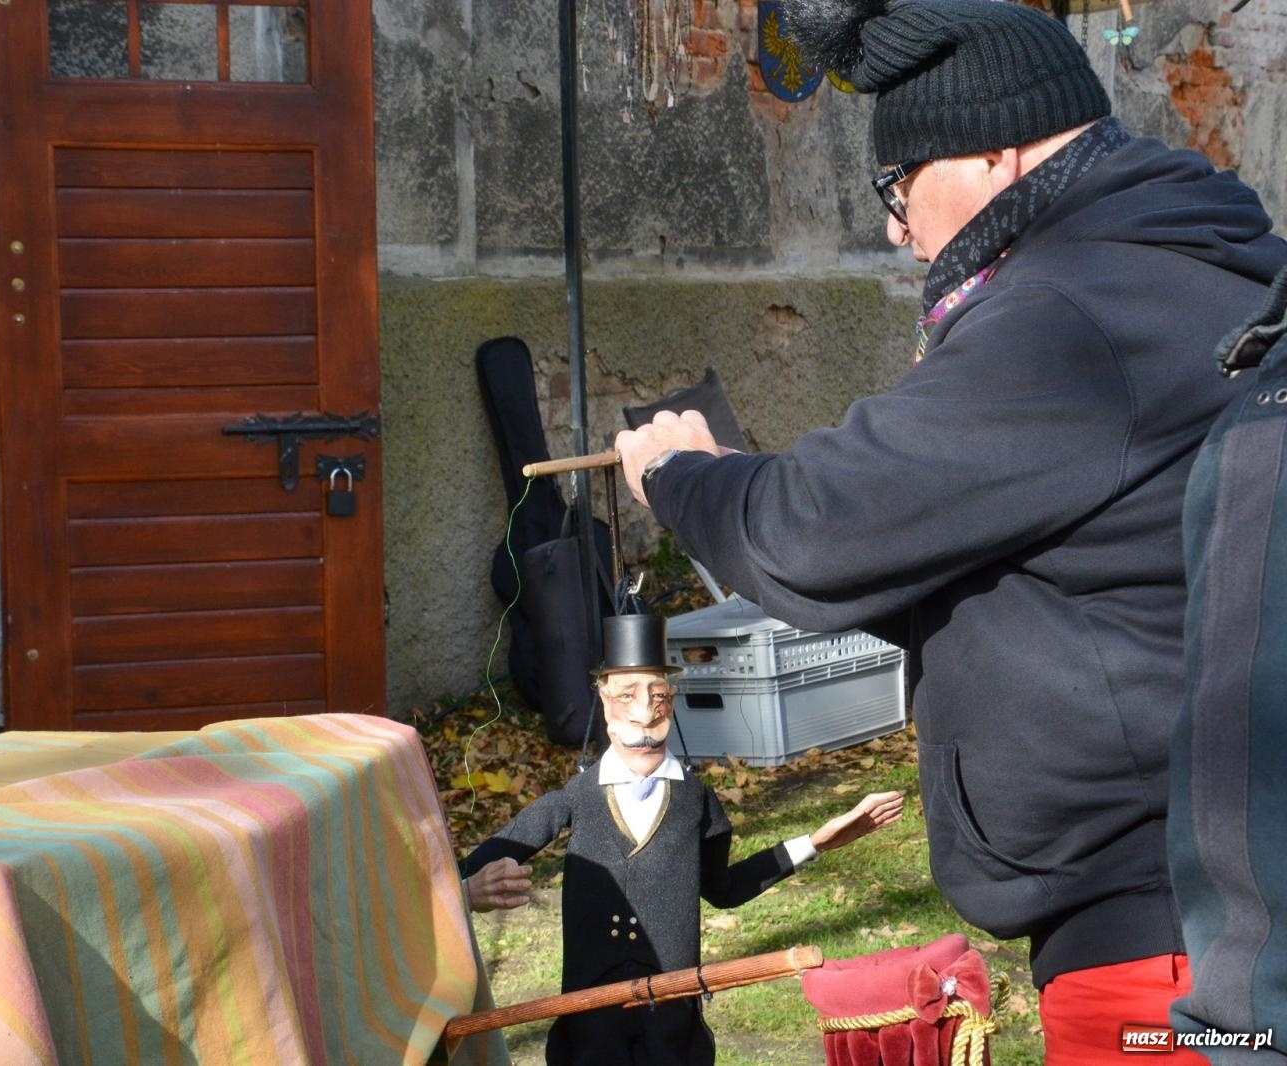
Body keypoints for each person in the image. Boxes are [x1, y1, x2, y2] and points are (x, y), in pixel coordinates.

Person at [612, 1, 1287, 1060]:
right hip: (1192, 891)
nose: (895, 227)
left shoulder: (1072, 315)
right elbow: (1019, 560)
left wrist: (681, 474)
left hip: (1159, 936)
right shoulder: (1175, 261)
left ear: (990, 154)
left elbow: (810, 532)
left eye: (897, 186)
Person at [462, 612, 903, 1066]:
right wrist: (467, 892)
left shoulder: (697, 802)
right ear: (605, 700)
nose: (644, 712)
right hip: (590, 1022)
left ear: (671, 702)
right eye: (627, 695)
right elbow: (467, 870)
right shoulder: (576, 798)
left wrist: (815, 843)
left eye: (658, 696)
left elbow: (724, 889)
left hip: (672, 1022)